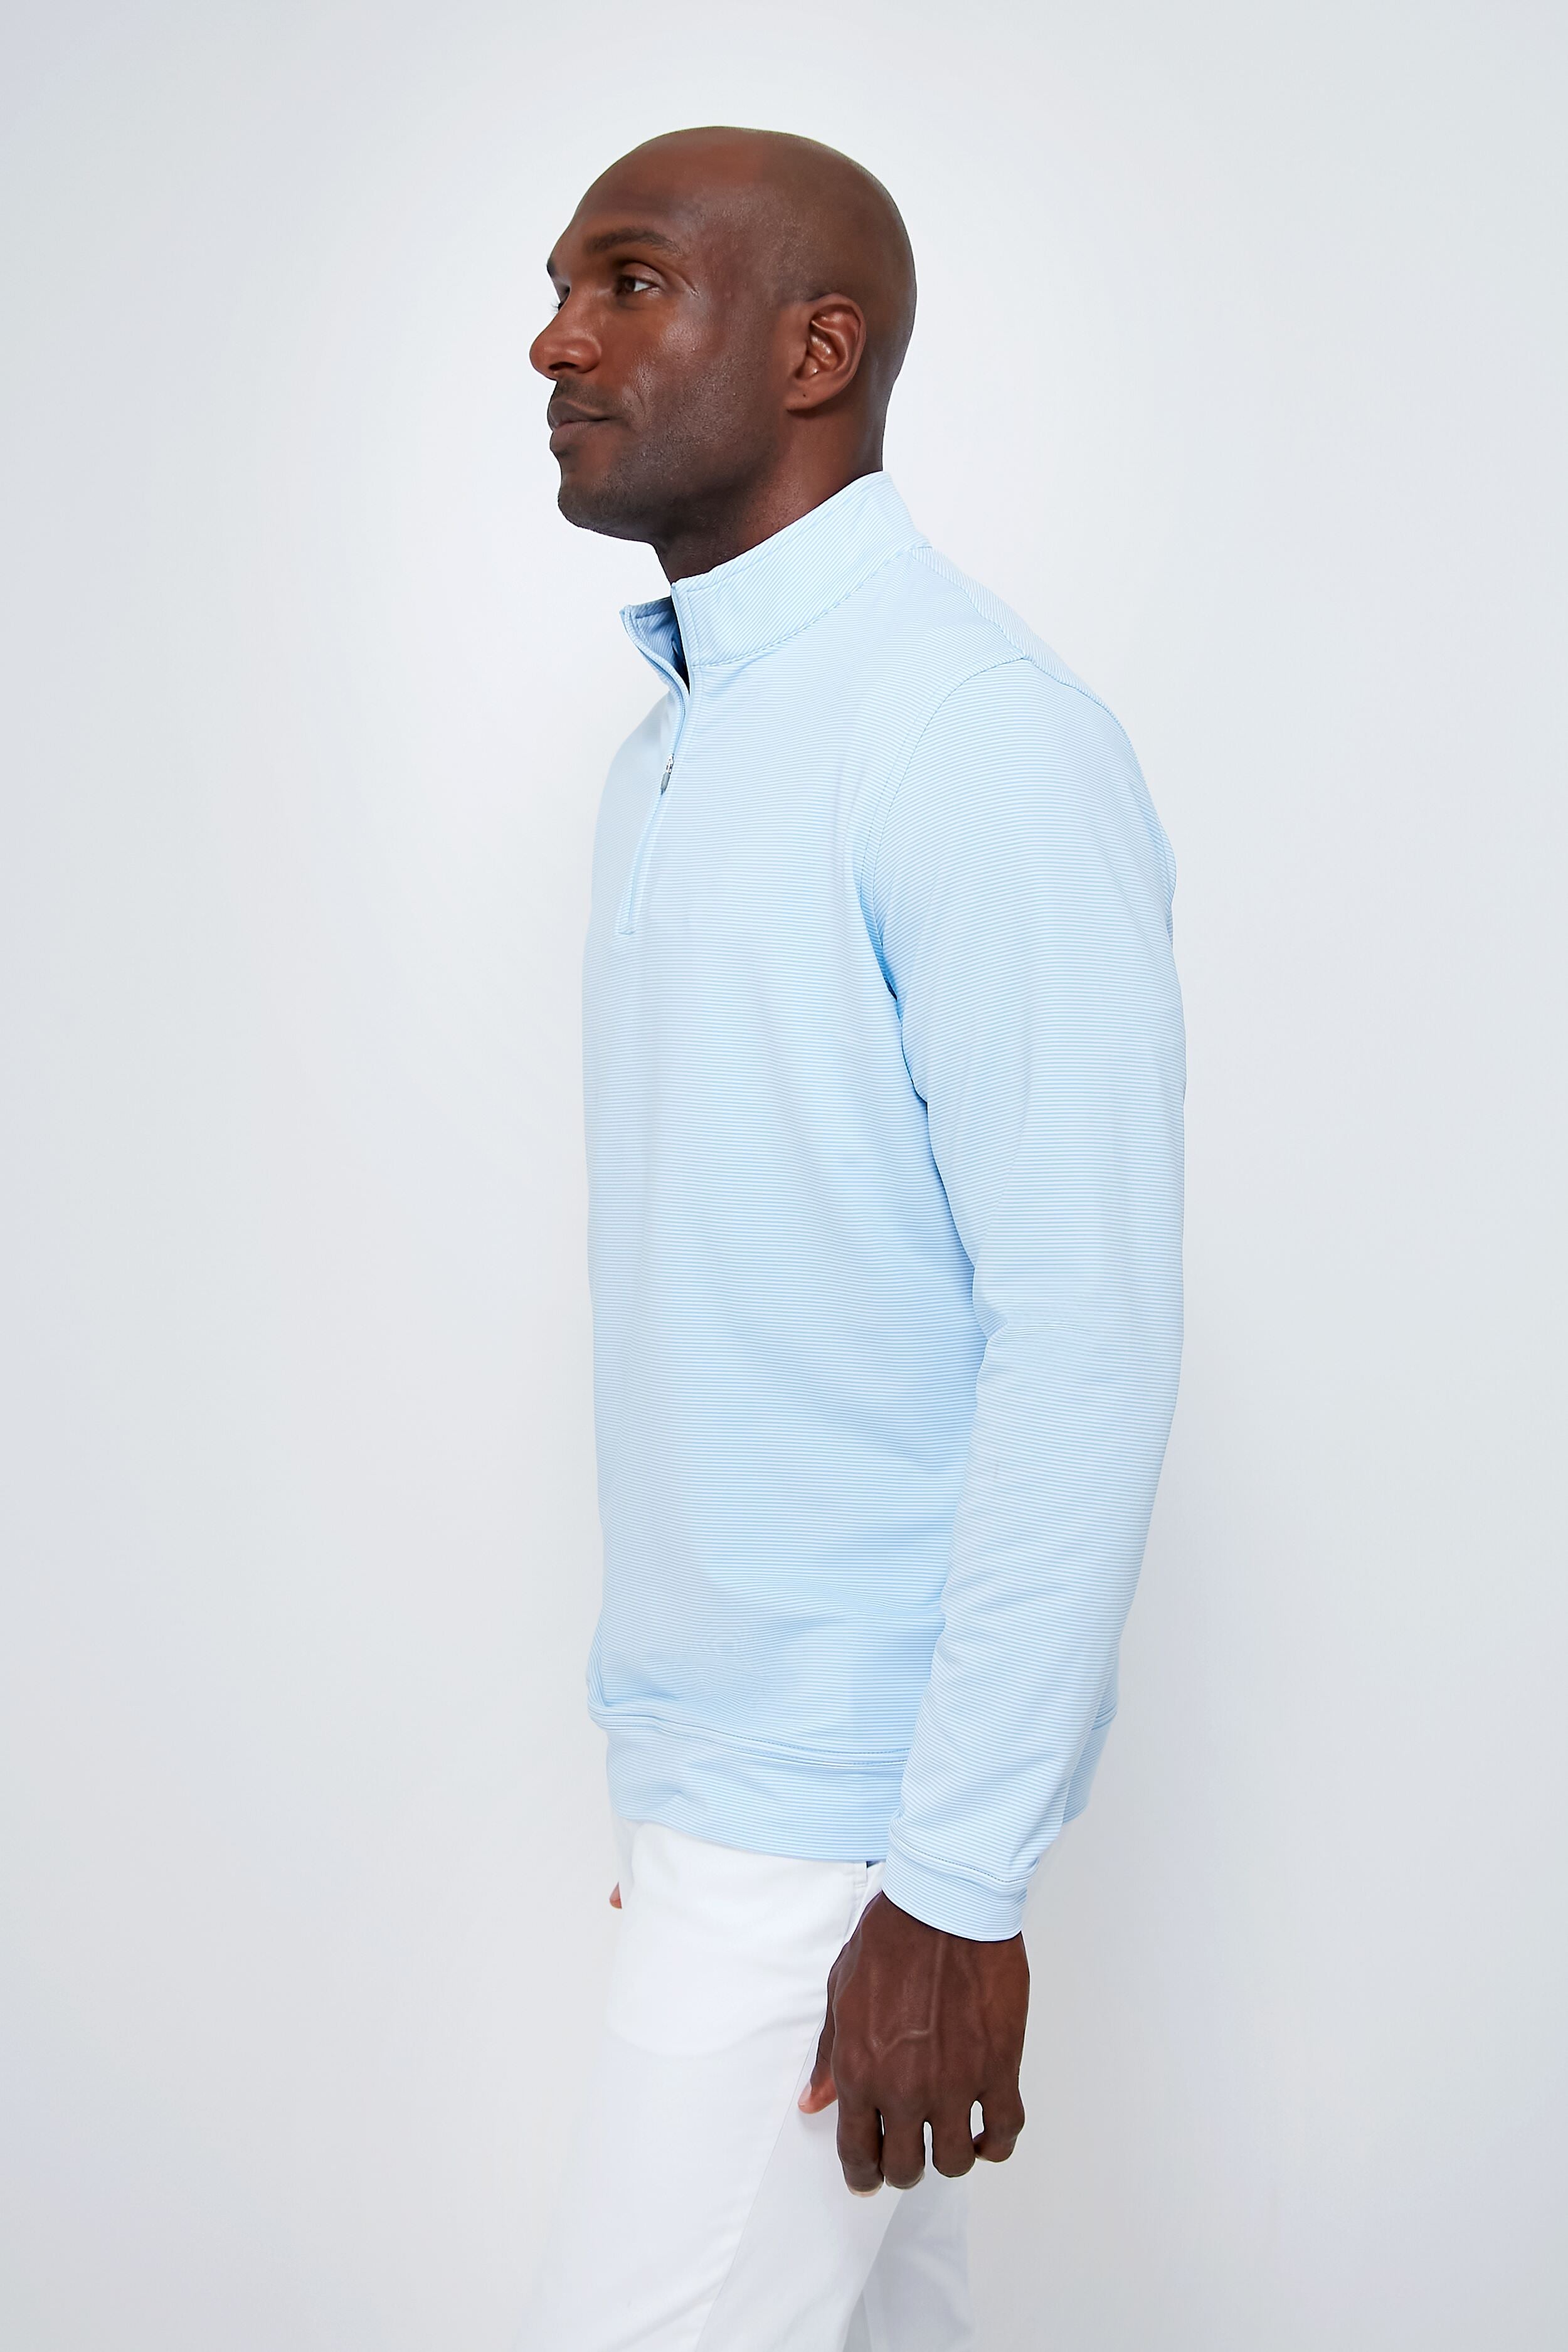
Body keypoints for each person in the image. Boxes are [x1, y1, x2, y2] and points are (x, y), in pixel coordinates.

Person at [519, 125, 1184, 2351]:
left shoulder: (973, 734)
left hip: (840, 1839)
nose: (556, 342)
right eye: (561, 287)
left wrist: (948, 1883)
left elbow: (1080, 1320)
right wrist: (686, 1790)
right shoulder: (679, 747)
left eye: (627, 283)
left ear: (817, 351)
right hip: (735, 1798)